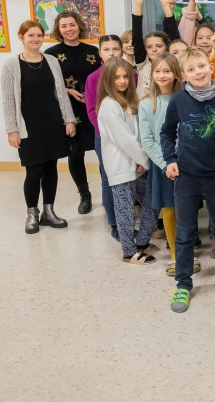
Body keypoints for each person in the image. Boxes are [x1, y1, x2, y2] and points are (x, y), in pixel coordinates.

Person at [161, 47, 215, 310]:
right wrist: (170, 160)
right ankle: (183, 283)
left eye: (202, 66)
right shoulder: (178, 101)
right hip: (187, 176)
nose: (198, 72)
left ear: (211, 67)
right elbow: (166, 133)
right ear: (184, 74)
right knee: (185, 232)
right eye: (192, 69)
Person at [1, 20, 76, 234]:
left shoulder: (51, 61)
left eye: (39, 35)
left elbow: (61, 93)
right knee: (34, 171)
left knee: (51, 169)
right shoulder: (11, 65)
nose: (36, 39)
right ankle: (32, 213)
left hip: (52, 122)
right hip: (28, 126)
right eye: (31, 35)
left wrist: (68, 119)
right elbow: (7, 101)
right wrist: (12, 130)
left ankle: (49, 212)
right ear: (21, 37)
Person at [138, 53, 198, 277]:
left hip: (188, 163)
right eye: (158, 71)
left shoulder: (185, 98)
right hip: (162, 165)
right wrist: (166, 163)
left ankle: (188, 252)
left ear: (177, 74)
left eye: (167, 71)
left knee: (187, 211)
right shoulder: (146, 104)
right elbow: (148, 140)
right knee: (169, 210)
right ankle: (175, 256)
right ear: (151, 74)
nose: (162, 75)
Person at [96, 57, 159, 265]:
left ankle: (141, 241)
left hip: (138, 164)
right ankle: (129, 252)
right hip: (121, 166)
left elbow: (139, 134)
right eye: (116, 78)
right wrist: (144, 160)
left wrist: (143, 160)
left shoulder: (131, 102)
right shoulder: (109, 105)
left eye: (125, 77)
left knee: (151, 202)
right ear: (108, 80)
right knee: (125, 210)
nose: (122, 81)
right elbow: (125, 139)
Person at [44, 11, 101, 215]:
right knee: (76, 154)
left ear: (79, 26)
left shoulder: (94, 51)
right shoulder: (50, 54)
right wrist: (68, 91)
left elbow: (103, 77)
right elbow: (48, 83)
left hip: (94, 107)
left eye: (72, 24)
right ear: (58, 30)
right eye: (64, 26)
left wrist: (92, 93)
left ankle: (110, 191)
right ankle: (84, 195)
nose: (69, 29)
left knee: (104, 151)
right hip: (70, 109)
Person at [84, 34, 127, 240]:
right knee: (109, 179)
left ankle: (127, 218)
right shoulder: (94, 78)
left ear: (122, 51)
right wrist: (109, 134)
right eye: (107, 49)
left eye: (116, 49)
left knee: (127, 178)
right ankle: (114, 223)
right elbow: (92, 110)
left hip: (129, 136)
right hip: (106, 138)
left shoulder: (130, 76)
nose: (112, 53)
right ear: (100, 53)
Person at [131, 0, 181, 99]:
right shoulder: (143, 63)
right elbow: (137, 38)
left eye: (159, 46)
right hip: (144, 111)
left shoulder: (173, 63)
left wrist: (166, 6)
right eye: (149, 47)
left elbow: (175, 38)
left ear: (167, 47)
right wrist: (138, 4)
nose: (154, 50)